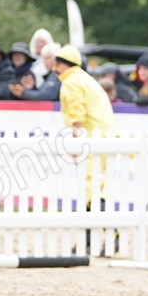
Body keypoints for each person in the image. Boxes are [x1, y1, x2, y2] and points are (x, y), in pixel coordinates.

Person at [53, 44, 115, 213]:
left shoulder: (71, 82)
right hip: (102, 135)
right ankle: (96, 225)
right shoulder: (84, 78)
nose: (54, 69)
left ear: (65, 64)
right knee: (95, 184)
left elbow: (77, 116)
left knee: (89, 185)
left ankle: (105, 224)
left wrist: (74, 144)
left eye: (57, 64)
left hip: (91, 138)